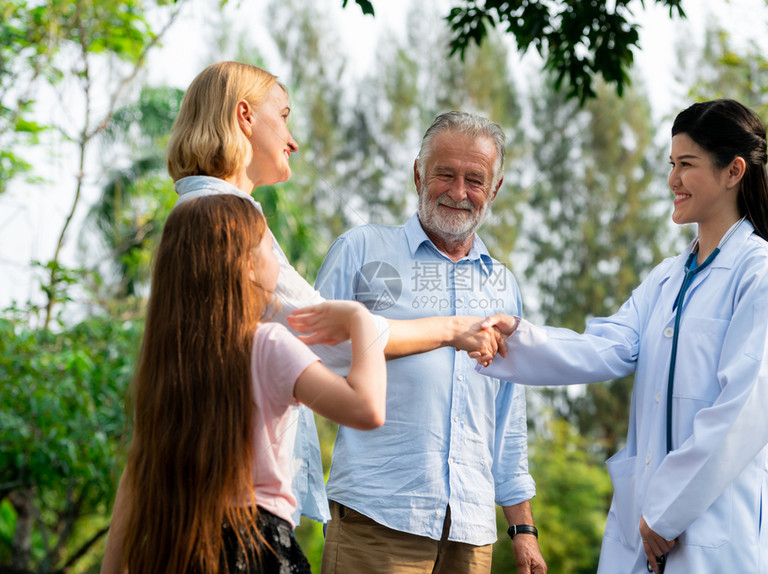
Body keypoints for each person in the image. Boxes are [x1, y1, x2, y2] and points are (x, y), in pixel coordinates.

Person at [136, 61, 502, 530]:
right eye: (283, 115)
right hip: (243, 503)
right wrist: (452, 328)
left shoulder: (193, 214)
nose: (292, 139)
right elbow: (326, 330)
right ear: (245, 117)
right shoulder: (231, 223)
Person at [478, 99, 768, 573]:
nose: (672, 179)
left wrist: (667, 513)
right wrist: (518, 337)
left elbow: (746, 410)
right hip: (647, 532)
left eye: (686, 165)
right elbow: (608, 346)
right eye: (672, 164)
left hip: (715, 535)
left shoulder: (762, 272)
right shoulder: (668, 278)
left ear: (733, 171)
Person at [301, 111, 546, 574]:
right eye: (445, 174)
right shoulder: (361, 250)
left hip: (471, 535)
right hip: (376, 520)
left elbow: (508, 418)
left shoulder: (503, 285)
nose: (458, 192)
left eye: (475, 180)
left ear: (494, 190)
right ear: (418, 173)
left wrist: (524, 530)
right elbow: (309, 362)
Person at [100, 194, 387, 573]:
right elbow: (366, 409)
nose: (276, 256)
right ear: (249, 265)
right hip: (255, 549)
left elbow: (137, 474)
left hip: (178, 549)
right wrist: (361, 320)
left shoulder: (168, 362)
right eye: (270, 245)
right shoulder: (267, 345)